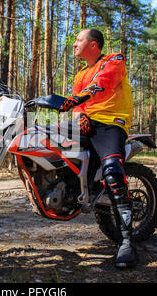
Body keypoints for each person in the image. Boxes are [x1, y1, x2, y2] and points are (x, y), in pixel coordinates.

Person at [58, 28, 137, 268]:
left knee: (112, 172)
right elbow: (78, 101)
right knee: (50, 153)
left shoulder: (114, 60)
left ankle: (126, 241)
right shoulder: (80, 74)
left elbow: (102, 84)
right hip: (84, 125)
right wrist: (79, 112)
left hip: (110, 124)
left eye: (78, 40)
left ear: (93, 44)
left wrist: (76, 102)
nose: (74, 44)